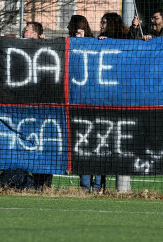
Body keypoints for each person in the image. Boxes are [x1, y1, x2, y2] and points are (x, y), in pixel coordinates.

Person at [66, 15, 105, 193]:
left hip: (95, 103)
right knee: (82, 147)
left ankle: (96, 185)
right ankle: (85, 184)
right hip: (78, 104)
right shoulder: (68, 45)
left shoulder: (95, 44)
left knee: (97, 146)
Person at [22, 22, 53, 189]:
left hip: (43, 109)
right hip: (27, 108)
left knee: (45, 146)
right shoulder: (19, 49)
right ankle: (30, 183)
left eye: (26, 30)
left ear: (35, 34)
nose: (24, 32)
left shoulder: (45, 50)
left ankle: (45, 183)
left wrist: (44, 45)